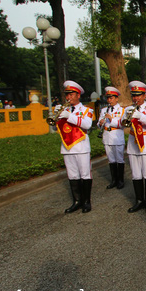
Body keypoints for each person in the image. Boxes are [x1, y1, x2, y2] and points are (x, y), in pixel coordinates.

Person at [56, 81, 94, 213]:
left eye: (71, 94)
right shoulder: (63, 110)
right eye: (67, 95)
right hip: (67, 147)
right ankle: (77, 201)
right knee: (72, 175)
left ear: (78, 95)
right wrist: (57, 117)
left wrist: (69, 116)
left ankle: (86, 201)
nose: (68, 97)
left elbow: (87, 125)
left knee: (85, 174)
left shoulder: (87, 110)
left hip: (81, 147)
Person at [124, 81, 146, 213]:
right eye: (134, 95)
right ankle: (139, 201)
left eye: (138, 95)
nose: (136, 98)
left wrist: (141, 117)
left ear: (144, 95)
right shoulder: (128, 108)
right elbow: (123, 123)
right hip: (133, 144)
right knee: (136, 174)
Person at [97, 86, 126, 189]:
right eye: (108, 98)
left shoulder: (122, 110)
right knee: (111, 160)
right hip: (107, 136)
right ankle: (114, 180)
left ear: (117, 98)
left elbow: (122, 124)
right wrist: (100, 123)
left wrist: (111, 119)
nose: (109, 100)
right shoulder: (104, 109)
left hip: (117, 137)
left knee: (119, 159)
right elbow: (99, 123)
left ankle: (121, 180)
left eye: (112, 98)